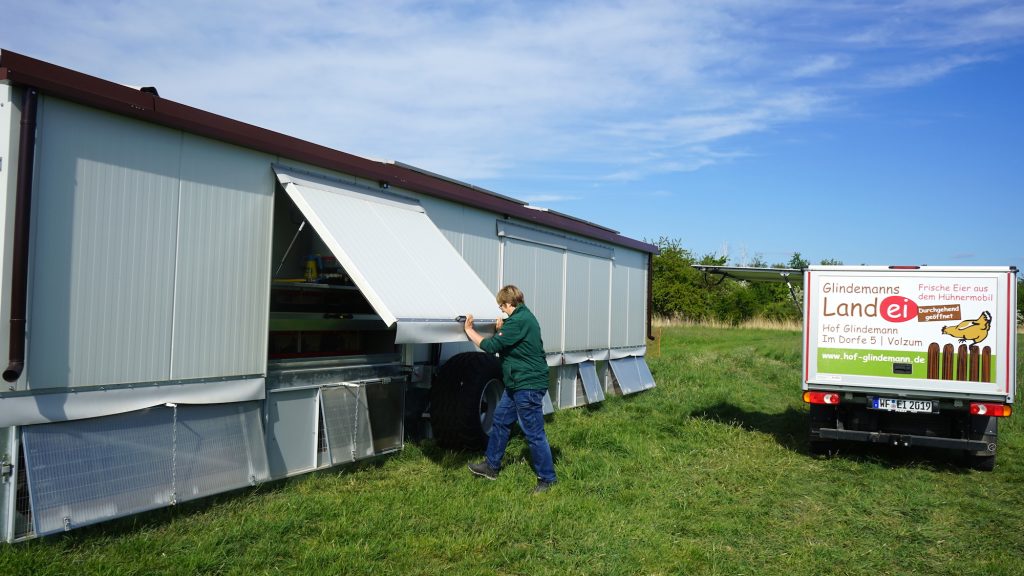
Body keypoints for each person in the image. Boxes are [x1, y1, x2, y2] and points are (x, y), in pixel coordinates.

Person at [463, 285, 557, 494]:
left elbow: (491, 347)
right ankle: (491, 466)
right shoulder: (523, 319)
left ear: (508, 303)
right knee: (501, 420)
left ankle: (547, 479)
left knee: (533, 433)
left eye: (501, 307)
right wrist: (500, 331)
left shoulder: (518, 321)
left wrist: (470, 330)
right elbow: (511, 343)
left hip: (528, 385)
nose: (501, 311)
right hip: (517, 384)